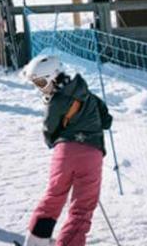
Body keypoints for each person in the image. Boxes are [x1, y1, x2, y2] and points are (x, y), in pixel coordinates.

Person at [19, 54, 112, 246]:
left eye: (41, 82)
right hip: (91, 155)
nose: (40, 88)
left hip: (65, 153)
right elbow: (107, 120)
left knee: (54, 196)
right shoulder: (88, 95)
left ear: (53, 77)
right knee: (82, 209)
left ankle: (36, 241)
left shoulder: (55, 101)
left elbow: (49, 131)